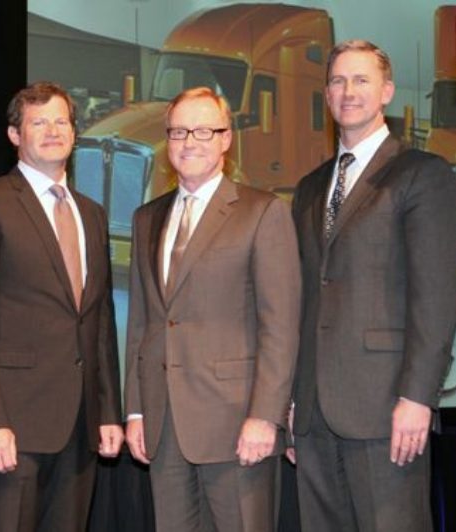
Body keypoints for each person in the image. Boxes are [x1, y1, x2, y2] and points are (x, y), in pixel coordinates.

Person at [290, 40, 456, 531]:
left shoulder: (421, 174)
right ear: (326, 95)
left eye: (361, 80)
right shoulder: (309, 187)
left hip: (387, 408)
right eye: (339, 81)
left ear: (386, 91)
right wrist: (294, 401)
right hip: (314, 415)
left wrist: (418, 397)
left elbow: (438, 297)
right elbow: (303, 297)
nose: (349, 91)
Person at [0, 81, 123, 531]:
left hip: (79, 430)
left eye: (61, 121)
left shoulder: (91, 214)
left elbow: (99, 321)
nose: (52, 131)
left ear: (74, 132)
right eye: (38, 122)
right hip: (11, 428)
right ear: (14, 135)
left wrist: (107, 412)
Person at [124, 87, 301, 532]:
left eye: (204, 130)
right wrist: (136, 411)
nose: (190, 141)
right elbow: (143, 324)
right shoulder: (147, 218)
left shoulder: (262, 213)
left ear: (226, 139)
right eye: (180, 131)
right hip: (164, 429)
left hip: (237, 425)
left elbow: (280, 326)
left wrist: (265, 416)